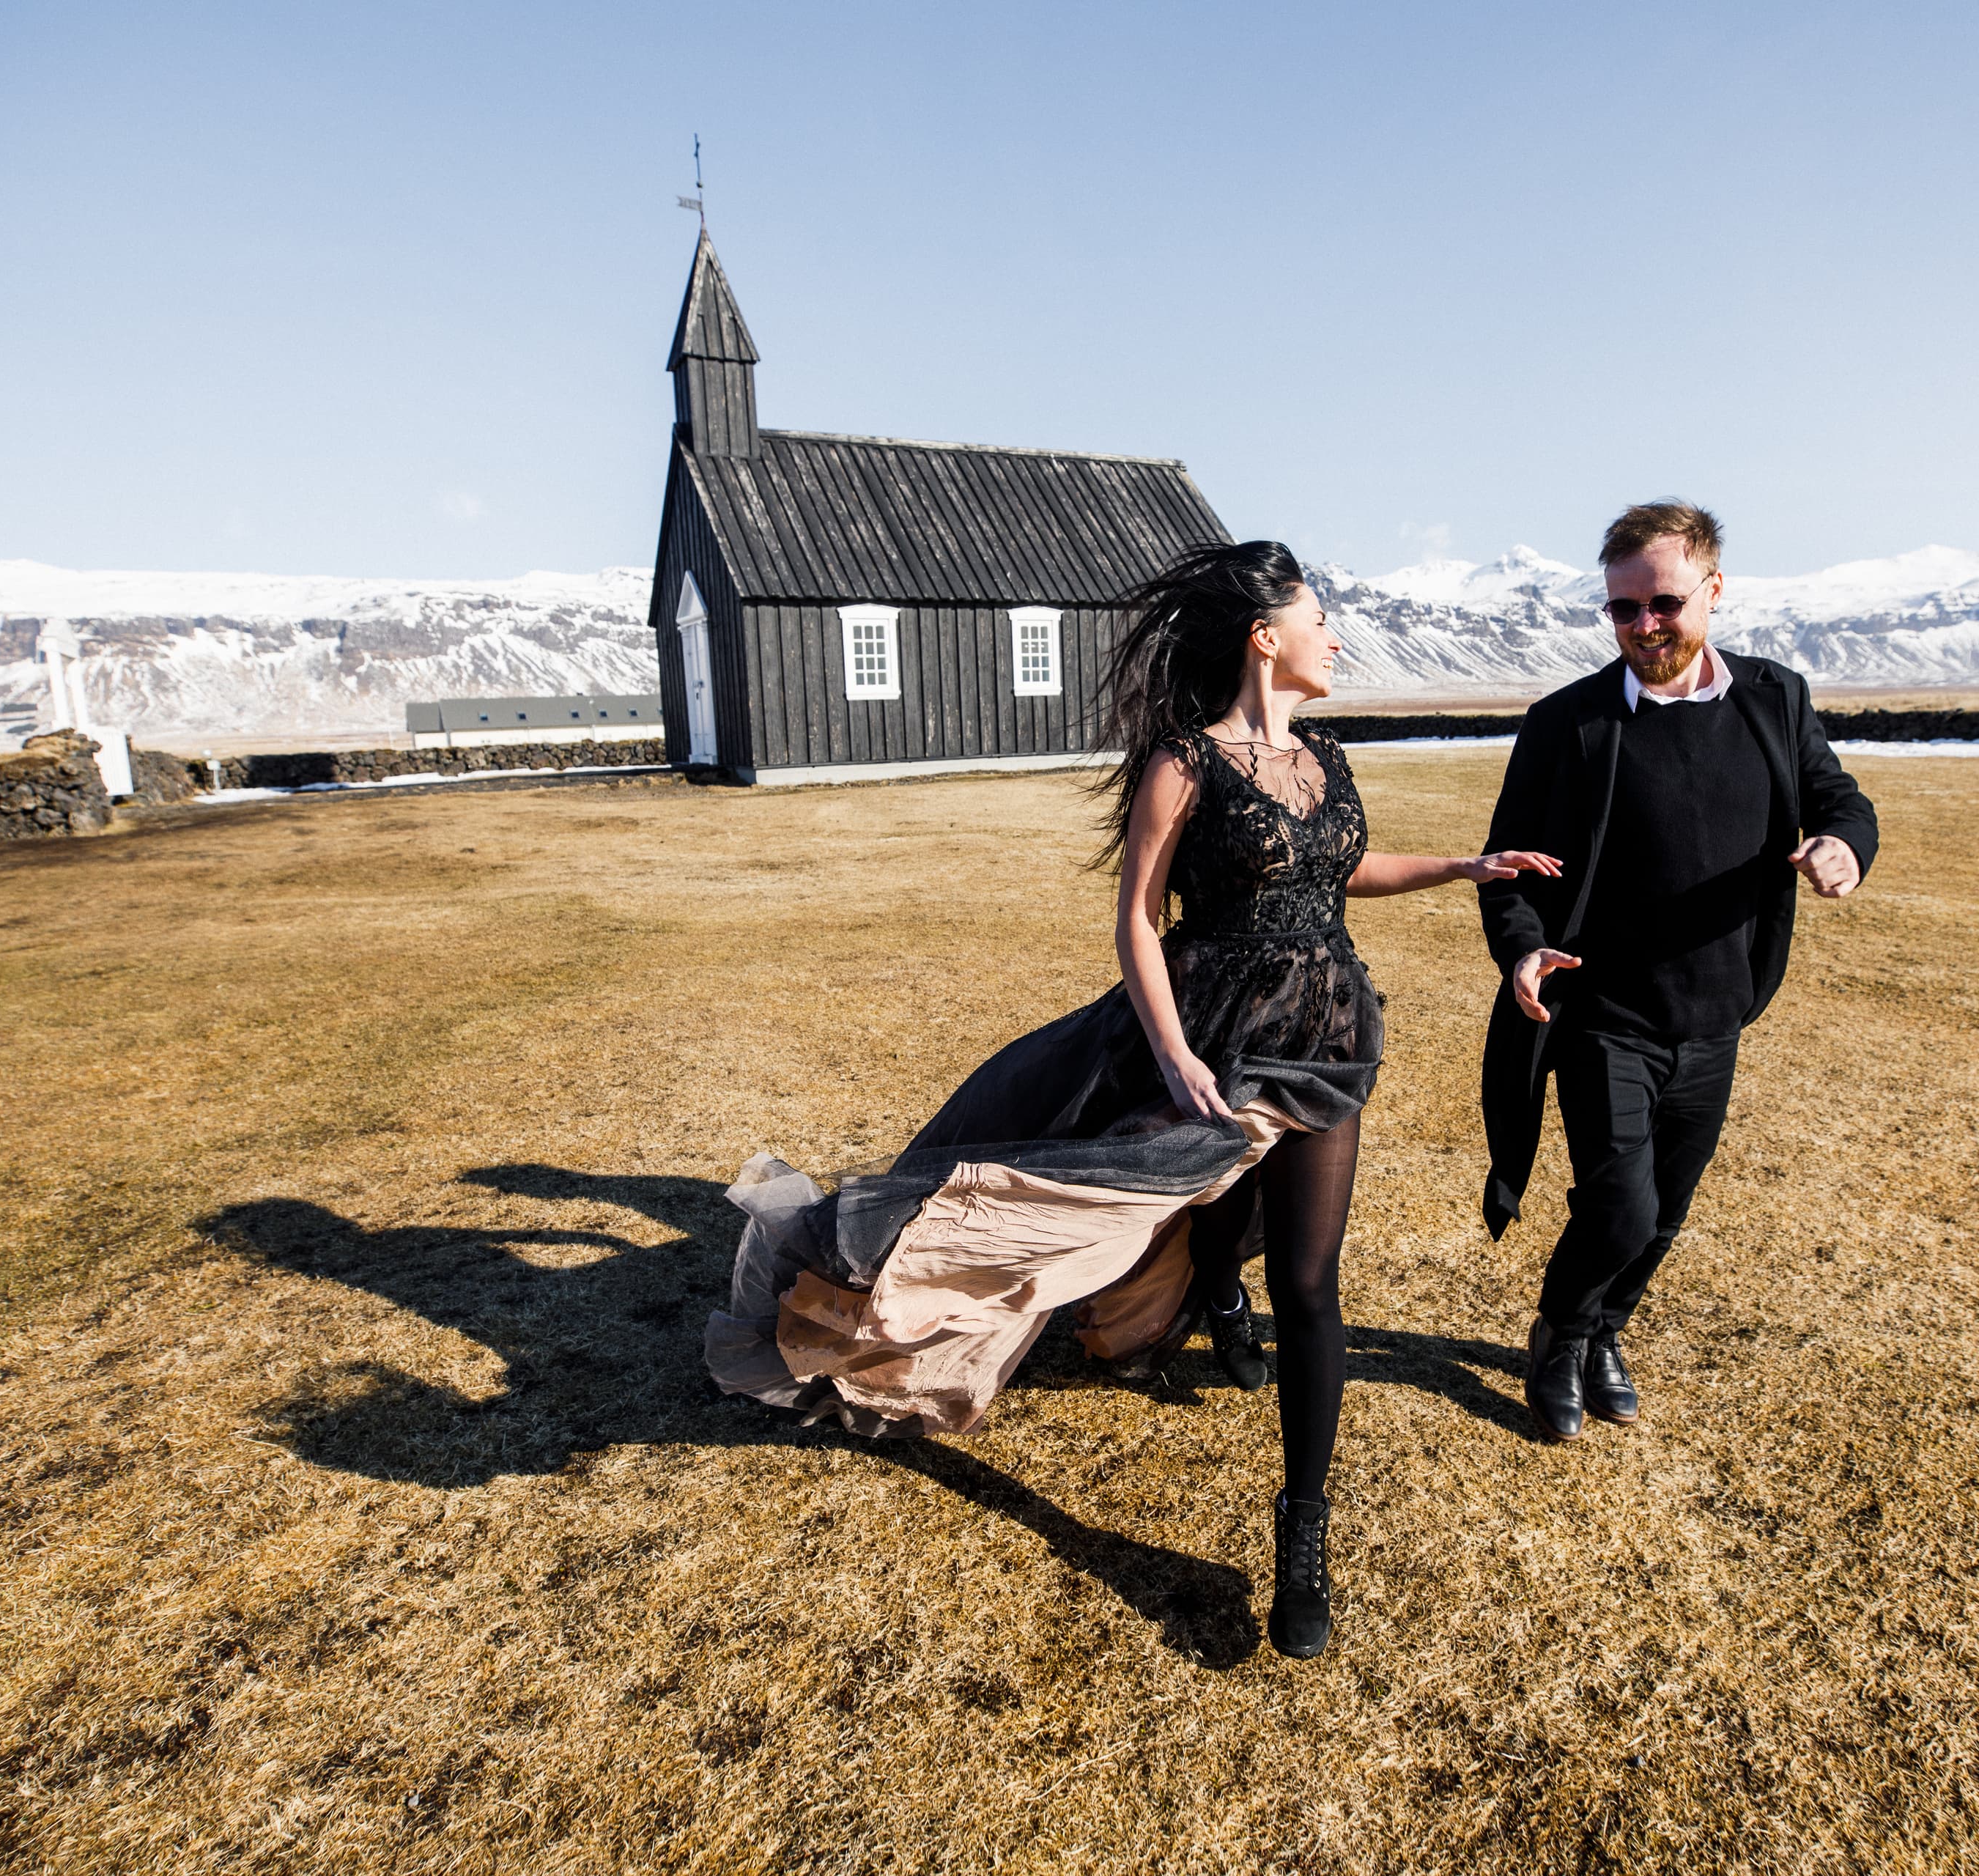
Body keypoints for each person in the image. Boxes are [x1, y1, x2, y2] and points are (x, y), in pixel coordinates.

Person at [707, 539, 1558, 1658]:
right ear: (1267, 638)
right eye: (1320, 620)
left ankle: (1302, 1531)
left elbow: (1335, 869)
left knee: (1314, 1280)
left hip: (1329, 1037)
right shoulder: (1185, 764)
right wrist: (1172, 1054)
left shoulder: (1325, 759)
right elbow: (1139, 920)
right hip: (1213, 1034)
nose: (1336, 637)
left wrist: (1461, 869)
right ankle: (1175, 1299)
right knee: (1130, 1196)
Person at [1475, 502, 1877, 1441]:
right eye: (1622, 611)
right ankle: (1559, 1333)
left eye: (1662, 603)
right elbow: (1509, 868)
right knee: (1621, 1203)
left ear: (1714, 590)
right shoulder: (1567, 725)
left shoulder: (1775, 699)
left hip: (1718, 1015)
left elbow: (1838, 797)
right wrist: (1522, 946)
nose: (1643, 627)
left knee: (1668, 1212)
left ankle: (1605, 1330)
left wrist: (1843, 846)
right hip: (1607, 1014)